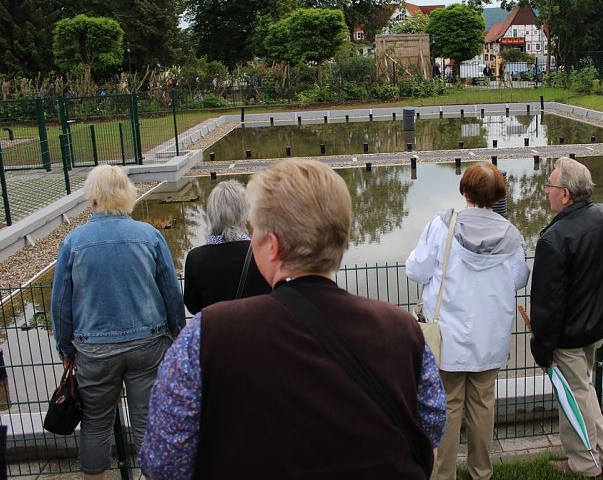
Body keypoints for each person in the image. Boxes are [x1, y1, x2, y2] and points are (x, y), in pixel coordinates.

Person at [139, 159, 447, 479]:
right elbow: (433, 424)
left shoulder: (204, 336)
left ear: (271, 247)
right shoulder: (401, 329)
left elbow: (163, 461)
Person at [51, 164, 185, 480]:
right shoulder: (149, 236)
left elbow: (61, 305)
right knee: (147, 418)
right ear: (127, 196)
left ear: (93, 198)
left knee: (96, 422)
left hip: (94, 349)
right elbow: (170, 294)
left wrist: (67, 348)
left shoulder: (73, 242)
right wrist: (178, 335)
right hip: (148, 345)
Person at [406, 162, 530, 480]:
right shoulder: (511, 236)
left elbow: (416, 270)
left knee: (446, 408)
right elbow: (519, 279)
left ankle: (442, 474)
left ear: (465, 191)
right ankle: (481, 473)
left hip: (447, 339)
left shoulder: (443, 225)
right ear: (497, 196)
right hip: (490, 339)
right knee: (483, 407)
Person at [529, 157, 603, 478]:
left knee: (576, 398)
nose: (546, 191)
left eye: (550, 186)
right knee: (583, 391)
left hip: (570, 335)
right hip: (598, 326)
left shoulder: (553, 239)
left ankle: (587, 466)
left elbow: (547, 304)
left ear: (566, 195)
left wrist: (542, 348)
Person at [183, 180, 270, 314]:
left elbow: (193, 306)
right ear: (244, 212)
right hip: (256, 329)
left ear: (211, 213)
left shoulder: (195, 258)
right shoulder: (262, 253)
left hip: (215, 331)